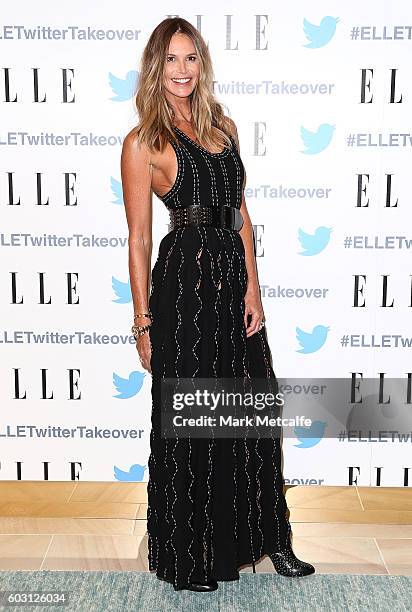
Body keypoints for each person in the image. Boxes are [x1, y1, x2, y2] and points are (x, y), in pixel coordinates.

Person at [121, 17, 315, 592]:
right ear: (156, 68)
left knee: (253, 415)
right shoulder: (143, 143)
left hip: (233, 285)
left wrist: (254, 285)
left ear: (201, 64)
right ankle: (195, 556)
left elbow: (241, 212)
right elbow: (138, 238)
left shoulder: (223, 126)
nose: (182, 71)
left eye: (191, 59)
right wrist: (141, 324)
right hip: (183, 291)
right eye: (171, 60)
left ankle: (269, 541)